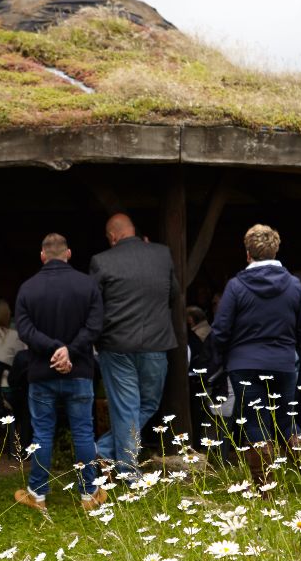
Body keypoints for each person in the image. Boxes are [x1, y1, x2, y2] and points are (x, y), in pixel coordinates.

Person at [209, 224, 301, 493]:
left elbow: (220, 330)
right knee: (288, 420)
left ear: (248, 254)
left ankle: (267, 490)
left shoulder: (236, 287)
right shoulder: (294, 286)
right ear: (275, 250)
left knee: (253, 421)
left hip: (244, 365)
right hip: (283, 362)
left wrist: (222, 359)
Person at [13, 233, 108, 513]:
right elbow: (94, 327)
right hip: (79, 370)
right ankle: (89, 493)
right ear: (68, 254)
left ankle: (38, 494)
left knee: (42, 433)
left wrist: (54, 349)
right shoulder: (87, 285)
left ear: (42, 256)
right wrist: (68, 351)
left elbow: (25, 330)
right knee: (83, 432)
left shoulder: (28, 288)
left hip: (42, 372)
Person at [88, 213, 178, 477]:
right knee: (148, 403)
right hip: (156, 341)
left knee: (128, 407)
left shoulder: (101, 261)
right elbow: (173, 294)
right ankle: (128, 472)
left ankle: (103, 451)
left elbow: (93, 305)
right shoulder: (162, 254)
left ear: (112, 236)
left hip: (116, 344)